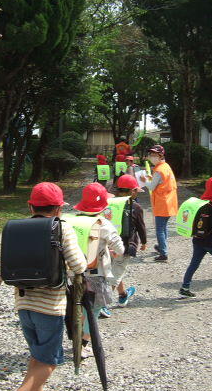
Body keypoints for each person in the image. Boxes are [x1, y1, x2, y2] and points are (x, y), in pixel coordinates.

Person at [0, 182, 87, 391]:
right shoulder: (62, 228)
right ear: (58, 209)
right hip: (50, 307)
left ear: (30, 206)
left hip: (24, 307)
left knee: (37, 355)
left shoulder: (15, 231)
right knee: (49, 360)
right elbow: (79, 266)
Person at [71, 183, 124, 340]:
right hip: (96, 273)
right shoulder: (104, 224)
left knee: (79, 305)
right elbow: (120, 249)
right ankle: (84, 341)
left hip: (74, 272)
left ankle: (78, 336)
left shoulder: (74, 221)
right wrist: (110, 250)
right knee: (94, 308)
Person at [110, 174, 147, 307]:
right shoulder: (136, 207)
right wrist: (144, 242)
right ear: (132, 191)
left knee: (114, 269)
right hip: (125, 245)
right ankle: (103, 303)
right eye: (136, 191)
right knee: (116, 271)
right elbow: (141, 227)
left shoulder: (110, 203)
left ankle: (123, 295)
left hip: (108, 244)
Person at [144, 144, 178, 262]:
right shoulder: (166, 166)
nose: (152, 157)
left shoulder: (159, 170)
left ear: (161, 155)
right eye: (151, 154)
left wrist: (144, 180)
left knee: (159, 229)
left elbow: (151, 186)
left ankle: (163, 253)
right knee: (163, 228)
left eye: (154, 155)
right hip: (169, 202)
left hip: (162, 203)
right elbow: (160, 182)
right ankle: (162, 247)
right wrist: (151, 178)